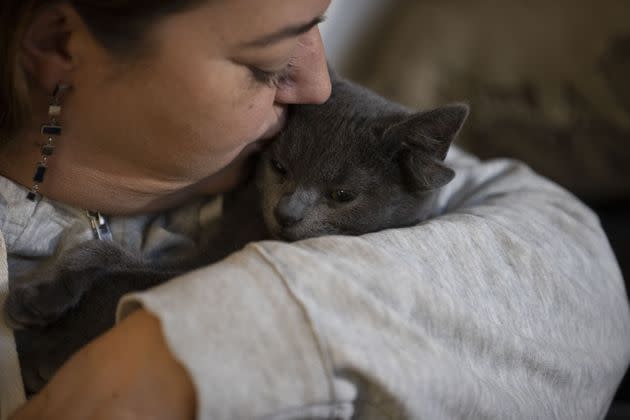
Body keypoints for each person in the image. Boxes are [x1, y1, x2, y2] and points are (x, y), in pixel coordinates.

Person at [0, 1, 628, 419]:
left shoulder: (282, 134)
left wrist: (210, 339)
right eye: (267, 59)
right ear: (62, 45)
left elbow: (583, 276)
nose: (320, 83)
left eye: (318, 22)